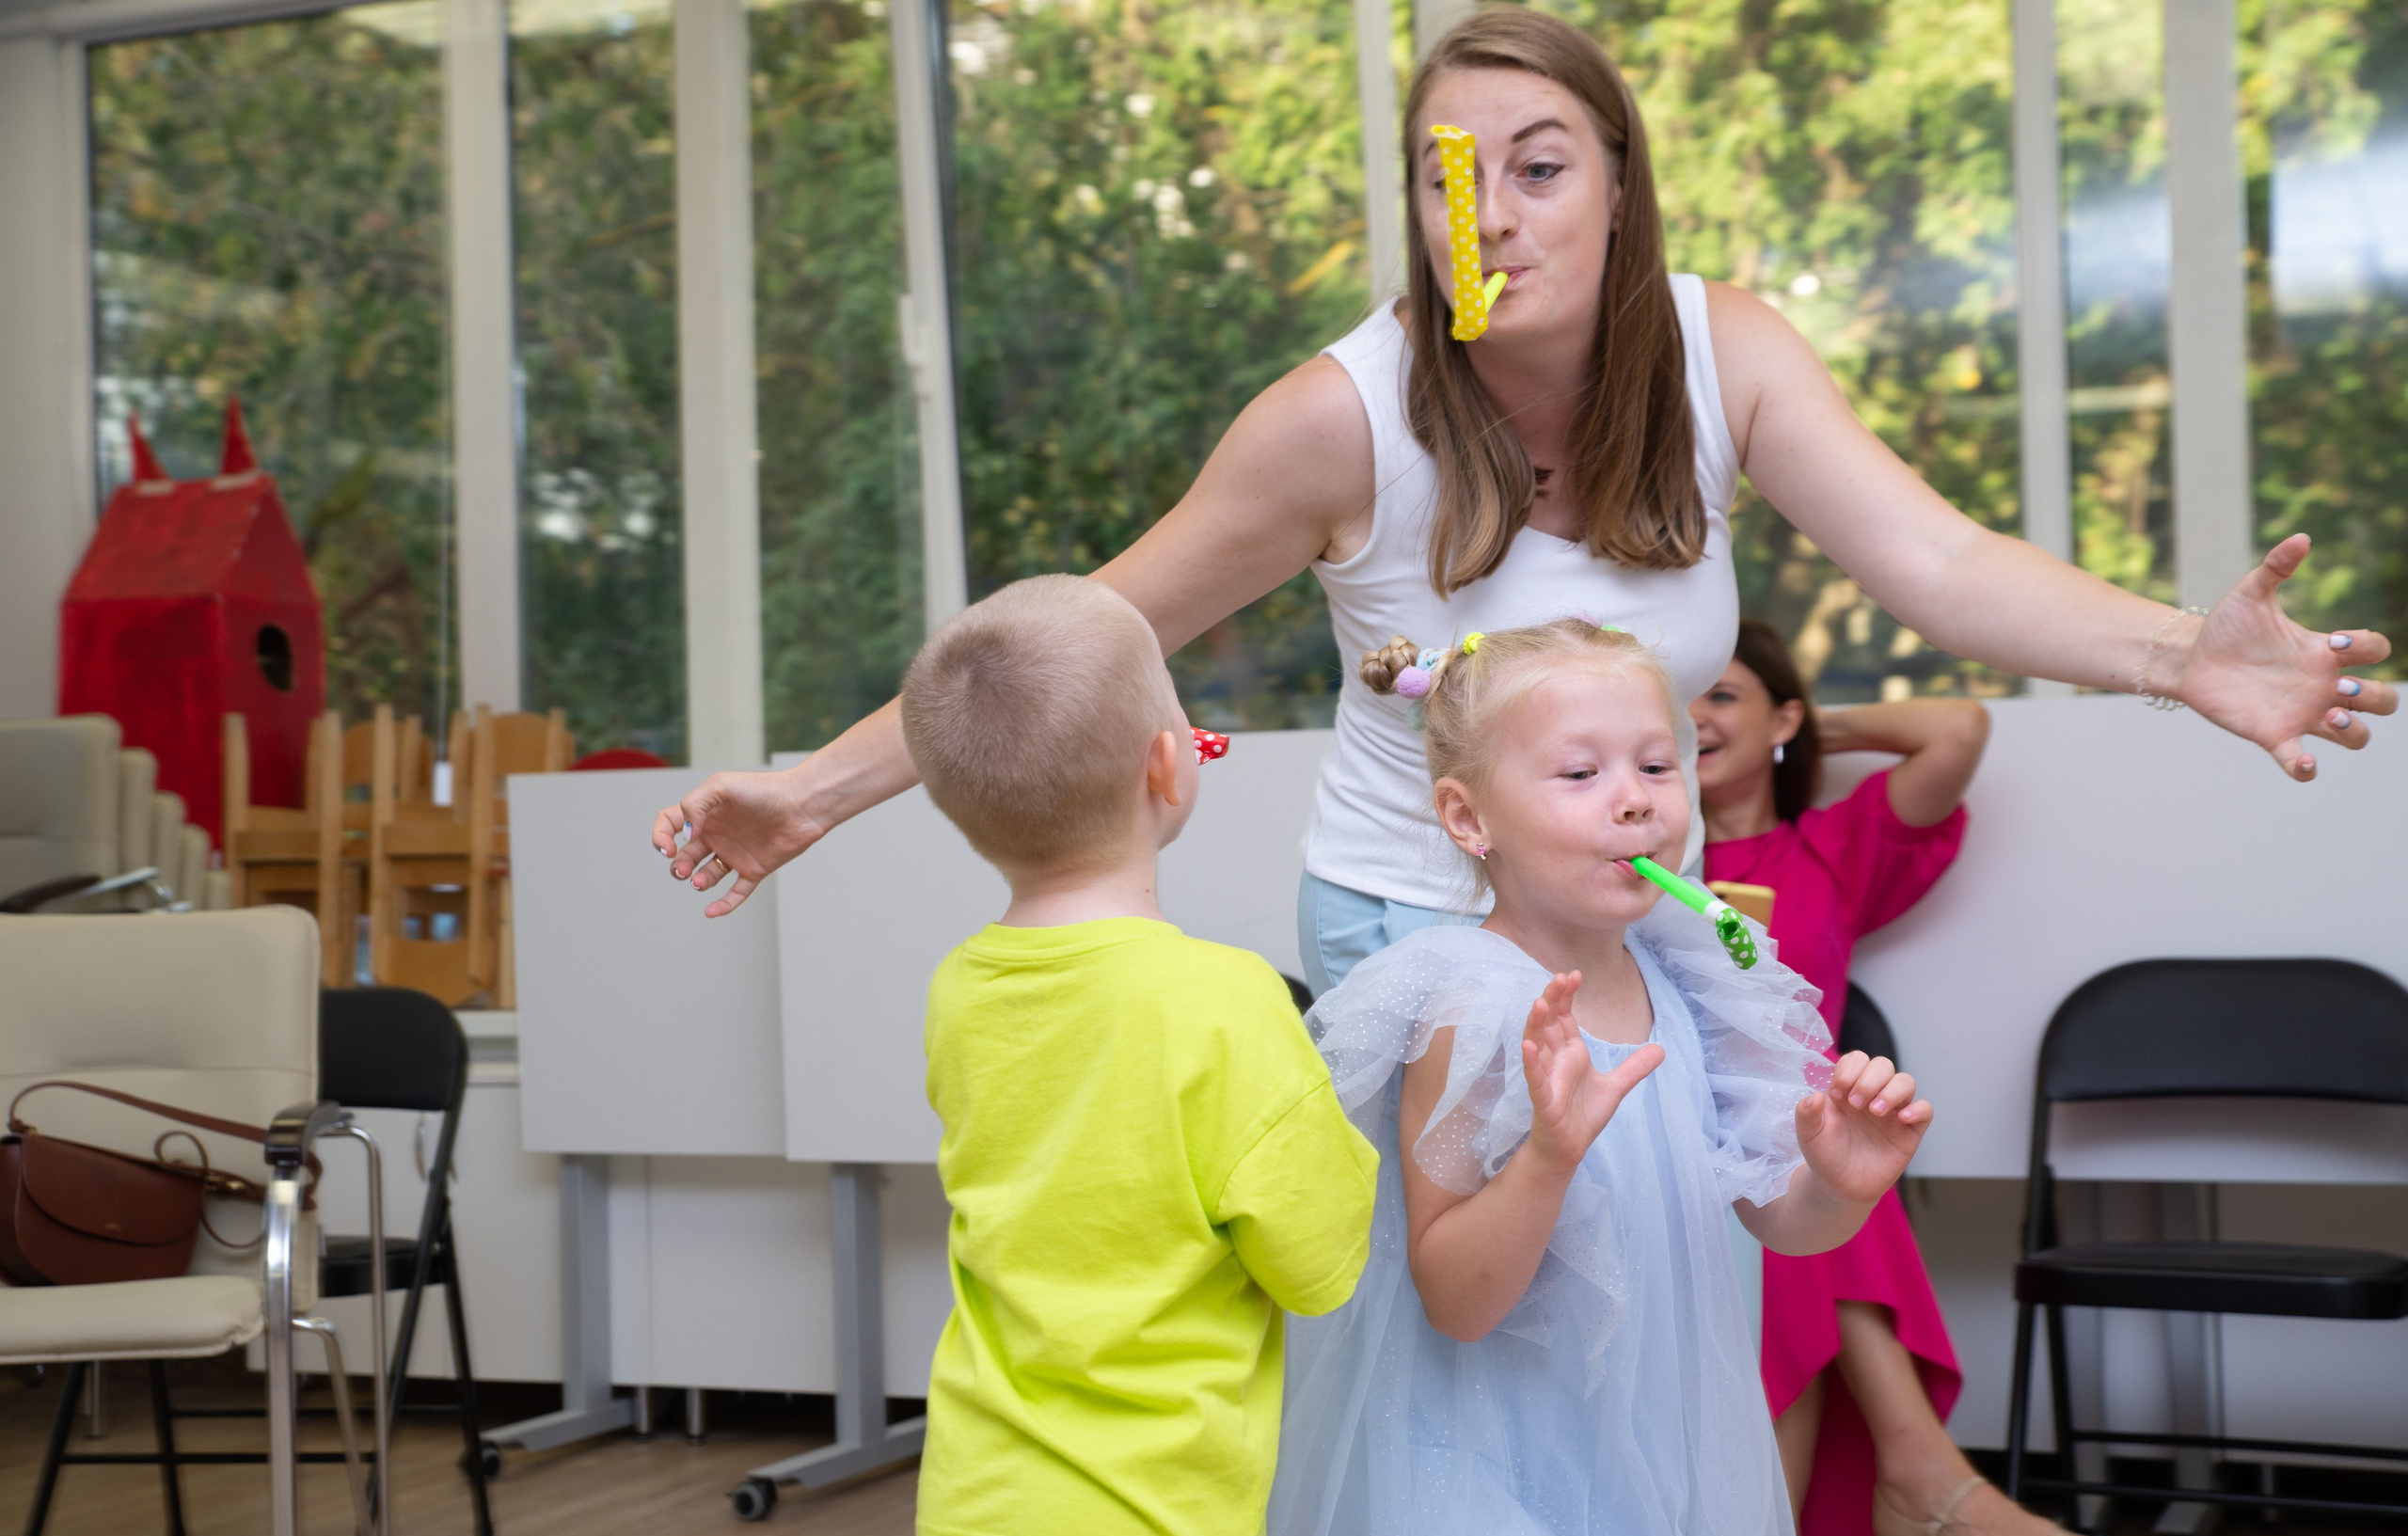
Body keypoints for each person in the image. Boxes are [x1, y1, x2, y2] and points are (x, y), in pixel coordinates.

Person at [656, 10, 2389, 958]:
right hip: (1416, 926)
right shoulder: (1341, 417)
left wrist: (2179, 652)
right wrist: (813, 789)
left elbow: (1935, 557)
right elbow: (1086, 631)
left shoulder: (1731, 351)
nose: (1491, 213)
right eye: (1447, 179)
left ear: (1620, 187)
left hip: (1651, 914)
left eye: (1539, 168)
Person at [1268, 618, 1930, 1536]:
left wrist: (1837, 1184)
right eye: (1579, 774)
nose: (1634, 800)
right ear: (1467, 816)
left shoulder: (1699, 980)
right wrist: (1546, 1155)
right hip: (1493, 1474)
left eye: (1658, 765)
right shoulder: (1470, 1004)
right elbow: (1457, 1300)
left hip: (1654, 1459)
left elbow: (1776, 1221)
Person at [899, 575, 1380, 1536]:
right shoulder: (1226, 1000)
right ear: (1168, 764)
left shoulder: (960, 988)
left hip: (975, 1515)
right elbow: (1319, 1264)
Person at [1695, 621, 2115, 1536]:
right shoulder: (1626, 855)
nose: (1693, 716)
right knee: (1813, 1155)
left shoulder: (1829, 848)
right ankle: (1922, 1473)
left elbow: (1956, 727)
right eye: (1677, 699)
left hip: (1781, 1163)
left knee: (1811, 1146)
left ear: (1780, 715)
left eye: (1721, 693)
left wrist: (1807, 733)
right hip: (1671, 1145)